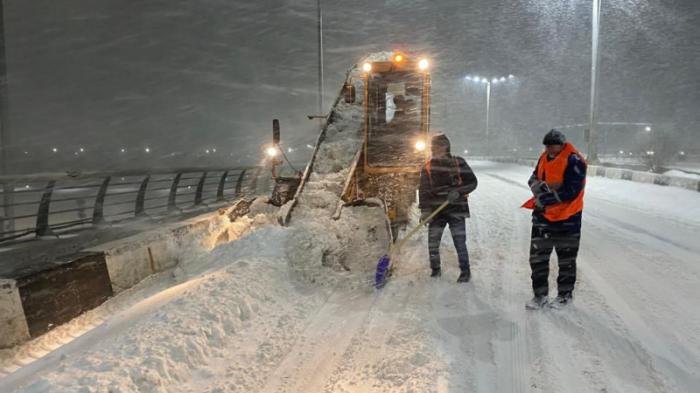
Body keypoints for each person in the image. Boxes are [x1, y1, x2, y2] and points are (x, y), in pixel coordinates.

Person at [522, 129, 587, 309]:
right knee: (538, 258)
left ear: (562, 145)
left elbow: (571, 191)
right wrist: (537, 186)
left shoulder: (574, 160)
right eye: (547, 146)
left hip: (568, 219)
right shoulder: (544, 157)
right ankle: (539, 296)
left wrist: (547, 197)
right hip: (543, 217)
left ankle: (564, 297)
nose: (549, 150)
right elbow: (534, 177)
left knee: (566, 260)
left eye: (553, 146)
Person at [419, 134, 478, 282]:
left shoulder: (458, 163)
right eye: (433, 147)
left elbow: (472, 182)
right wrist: (425, 210)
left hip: (457, 210)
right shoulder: (428, 166)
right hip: (436, 211)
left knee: (459, 242)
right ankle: (435, 270)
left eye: (437, 146)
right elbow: (424, 191)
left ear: (445, 147)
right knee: (433, 242)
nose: (434, 149)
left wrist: (458, 191)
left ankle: (465, 271)